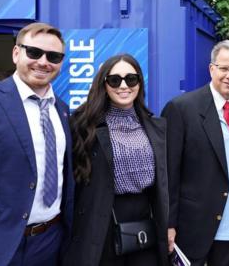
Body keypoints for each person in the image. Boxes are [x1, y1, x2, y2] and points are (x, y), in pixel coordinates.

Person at [63, 54, 169, 266]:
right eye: (115, 80)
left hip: (145, 218)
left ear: (139, 82)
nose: (123, 86)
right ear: (104, 84)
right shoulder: (84, 125)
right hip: (101, 218)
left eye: (131, 79)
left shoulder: (156, 126)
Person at [161, 40, 229, 266]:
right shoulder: (181, 108)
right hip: (191, 231)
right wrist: (167, 224)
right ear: (212, 69)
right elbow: (168, 172)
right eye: (224, 68)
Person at [0, 22, 75, 265]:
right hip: (3, 241)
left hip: (51, 240)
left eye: (53, 56)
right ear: (16, 53)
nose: (43, 62)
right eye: (34, 52)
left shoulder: (62, 110)